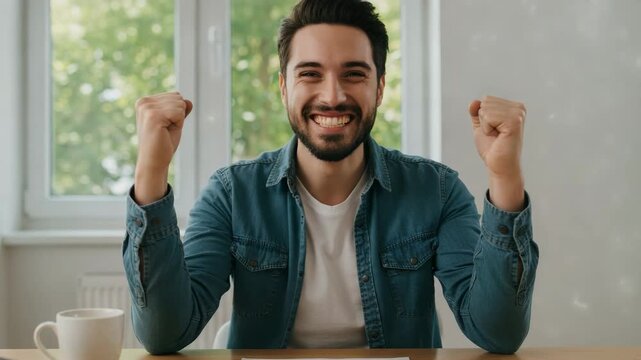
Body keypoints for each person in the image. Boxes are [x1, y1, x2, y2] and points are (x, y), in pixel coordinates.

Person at [123, 0, 538, 355]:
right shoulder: (232, 194)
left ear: (379, 89)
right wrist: (152, 172)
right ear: (284, 88)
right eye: (310, 74)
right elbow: (165, 334)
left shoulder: (438, 191)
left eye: (354, 74)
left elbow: (497, 334)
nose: (333, 95)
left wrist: (504, 175)